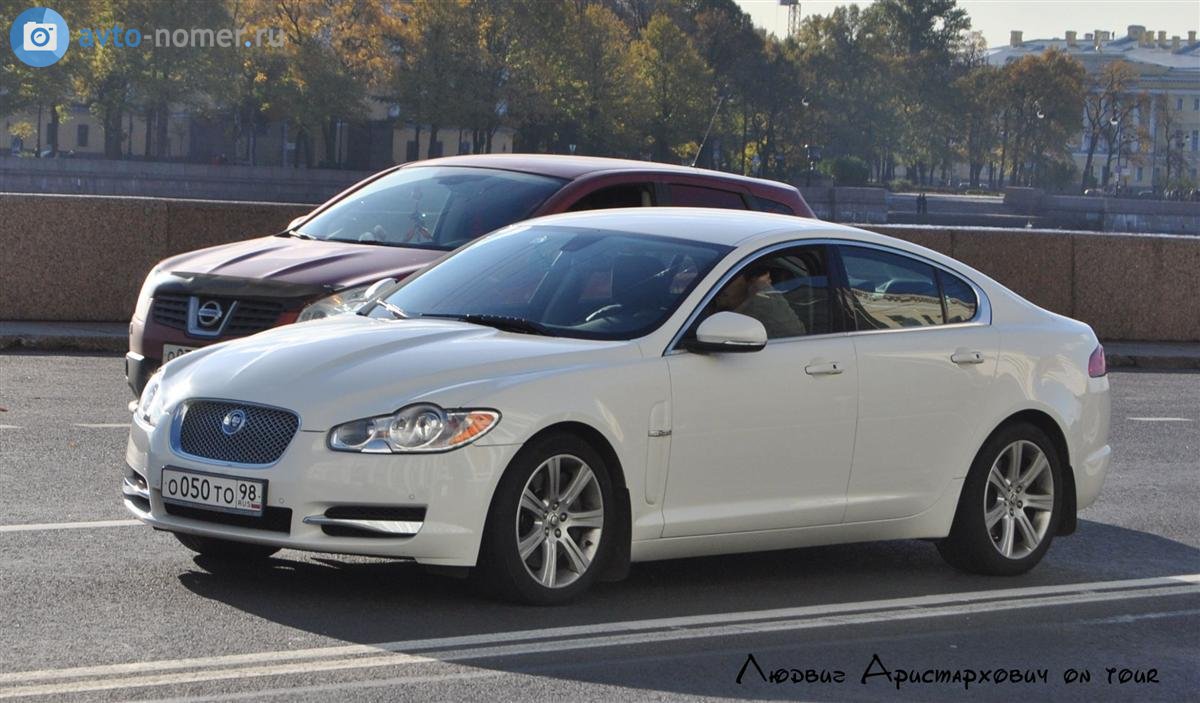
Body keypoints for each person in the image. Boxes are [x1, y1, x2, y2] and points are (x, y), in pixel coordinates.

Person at [711, 264, 806, 338]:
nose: (721, 284)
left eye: (730, 277)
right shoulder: (708, 296)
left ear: (751, 282)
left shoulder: (762, 306)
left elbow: (796, 333)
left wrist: (764, 291)